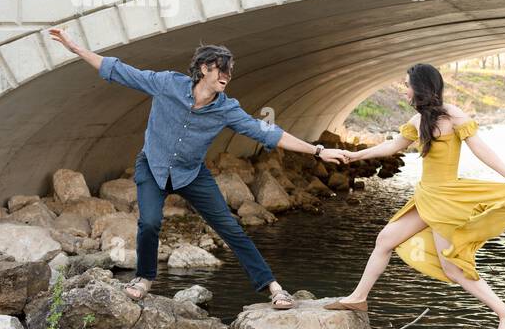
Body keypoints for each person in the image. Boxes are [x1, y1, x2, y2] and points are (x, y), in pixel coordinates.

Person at [47, 28, 355, 308]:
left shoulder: (226, 109)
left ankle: (273, 287)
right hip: (152, 168)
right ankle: (144, 277)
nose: (227, 75)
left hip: (191, 174)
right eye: (222, 69)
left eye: (230, 71)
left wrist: (318, 150)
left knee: (231, 228)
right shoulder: (167, 84)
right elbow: (118, 71)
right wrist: (75, 47)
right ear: (205, 68)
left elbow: (267, 132)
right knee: (150, 222)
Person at [326, 63, 505, 329]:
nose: (405, 90)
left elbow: (482, 150)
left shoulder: (453, 116)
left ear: (421, 87)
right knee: (385, 239)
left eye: (408, 85)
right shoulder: (417, 122)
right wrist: (354, 156)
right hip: (427, 197)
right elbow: (391, 147)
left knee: (452, 267)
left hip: (445, 200)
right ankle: (358, 297)